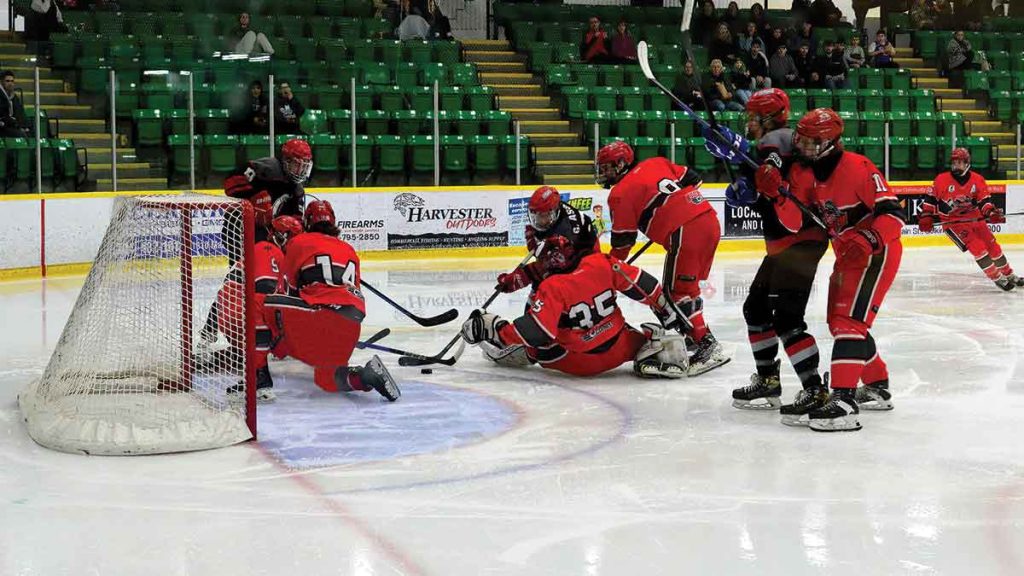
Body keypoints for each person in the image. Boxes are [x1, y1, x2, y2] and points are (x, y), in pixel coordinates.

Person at [753, 108, 904, 431]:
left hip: (877, 253)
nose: (802, 147)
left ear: (830, 142)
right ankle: (877, 384)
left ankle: (845, 400)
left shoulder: (858, 168)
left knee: (849, 322)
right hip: (848, 255)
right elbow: (794, 223)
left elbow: (894, 214)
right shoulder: (804, 174)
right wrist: (776, 196)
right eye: (801, 140)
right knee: (841, 323)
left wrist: (870, 237)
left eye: (810, 142)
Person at [701, 88, 829, 411]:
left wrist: (735, 147)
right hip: (785, 243)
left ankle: (814, 389)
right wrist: (744, 190)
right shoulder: (772, 143)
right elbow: (765, 185)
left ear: (767, 118)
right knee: (756, 308)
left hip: (800, 241)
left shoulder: (782, 138)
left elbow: (769, 167)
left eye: (751, 117)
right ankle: (768, 380)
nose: (747, 122)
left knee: (787, 318)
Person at [461, 236, 690, 379]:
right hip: (621, 350)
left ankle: (506, 351)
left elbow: (538, 332)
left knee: (538, 348)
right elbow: (644, 285)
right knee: (629, 332)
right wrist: (666, 310)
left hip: (577, 362)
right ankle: (653, 349)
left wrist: (496, 329)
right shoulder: (601, 262)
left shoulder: (551, 286)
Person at [598, 140, 730, 376]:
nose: (603, 173)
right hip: (709, 218)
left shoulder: (619, 193)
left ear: (620, 164)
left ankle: (707, 344)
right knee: (687, 288)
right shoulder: (656, 162)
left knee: (674, 294)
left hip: (685, 230)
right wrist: (662, 209)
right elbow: (694, 179)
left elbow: (623, 243)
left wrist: (609, 268)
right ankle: (693, 334)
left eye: (607, 168)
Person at [264, 200, 401, 401]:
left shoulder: (299, 242)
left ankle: (266, 356)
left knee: (266, 303)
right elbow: (356, 292)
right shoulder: (349, 249)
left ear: (307, 222)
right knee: (327, 379)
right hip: (351, 323)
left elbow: (288, 290)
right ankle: (365, 376)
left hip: (319, 317)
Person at [490, 185, 599, 367]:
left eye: (543, 216)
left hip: (583, 269)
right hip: (569, 260)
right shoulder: (554, 217)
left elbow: (541, 270)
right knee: (542, 290)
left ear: (555, 212)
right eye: (535, 216)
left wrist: (515, 280)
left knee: (545, 292)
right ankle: (533, 332)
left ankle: (537, 334)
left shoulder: (566, 234)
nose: (538, 221)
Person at [219, 214, 301, 403]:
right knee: (264, 325)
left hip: (230, 311)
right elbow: (264, 290)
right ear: (282, 236)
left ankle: (253, 376)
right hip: (241, 308)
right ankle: (262, 382)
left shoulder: (263, 249)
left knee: (267, 334)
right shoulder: (269, 249)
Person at [921, 148, 1022, 291]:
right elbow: (930, 200)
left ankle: (1009, 275)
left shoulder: (977, 180)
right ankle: (997, 278)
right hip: (953, 223)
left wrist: (991, 213)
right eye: (954, 163)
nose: (956, 166)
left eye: (960, 163)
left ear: (967, 163)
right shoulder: (941, 180)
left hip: (975, 219)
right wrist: (926, 215)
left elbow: (984, 201)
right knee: (978, 248)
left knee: (993, 247)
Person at [0, 70, 27, 137]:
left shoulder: (14, 97)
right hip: (3, 126)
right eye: (7, 81)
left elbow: (20, 112)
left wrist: (22, 126)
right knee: (20, 135)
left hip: (12, 126)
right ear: (2, 82)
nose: (10, 83)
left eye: (12, 81)